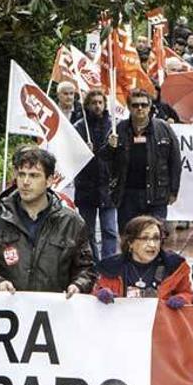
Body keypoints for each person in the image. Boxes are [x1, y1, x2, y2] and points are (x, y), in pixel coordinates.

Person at [0, 149, 96, 295]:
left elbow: (87, 269)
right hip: (8, 310)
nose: (25, 182)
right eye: (21, 175)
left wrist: (78, 286)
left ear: (49, 180)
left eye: (34, 176)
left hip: (54, 313)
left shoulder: (72, 222)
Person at [109, 88, 182, 227]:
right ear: (129, 107)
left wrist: (174, 190)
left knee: (155, 234)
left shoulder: (163, 128)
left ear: (150, 107)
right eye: (135, 105)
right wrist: (109, 147)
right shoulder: (119, 129)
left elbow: (175, 161)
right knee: (129, 236)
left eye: (144, 105)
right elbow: (106, 160)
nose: (140, 108)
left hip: (156, 194)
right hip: (127, 195)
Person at [93, 216, 193, 307]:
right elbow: (95, 293)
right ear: (130, 243)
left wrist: (182, 298)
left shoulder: (173, 266)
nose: (152, 244)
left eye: (156, 238)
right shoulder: (112, 267)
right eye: (145, 238)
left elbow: (188, 293)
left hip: (159, 324)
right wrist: (101, 294)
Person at [74, 88, 117, 262]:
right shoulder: (79, 127)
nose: (97, 106)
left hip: (108, 186)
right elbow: (73, 156)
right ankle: (94, 263)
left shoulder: (113, 125)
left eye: (100, 102)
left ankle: (110, 263)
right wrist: (83, 150)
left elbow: (118, 156)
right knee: (88, 231)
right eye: (94, 103)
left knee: (109, 230)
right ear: (87, 105)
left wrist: (113, 147)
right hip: (86, 186)